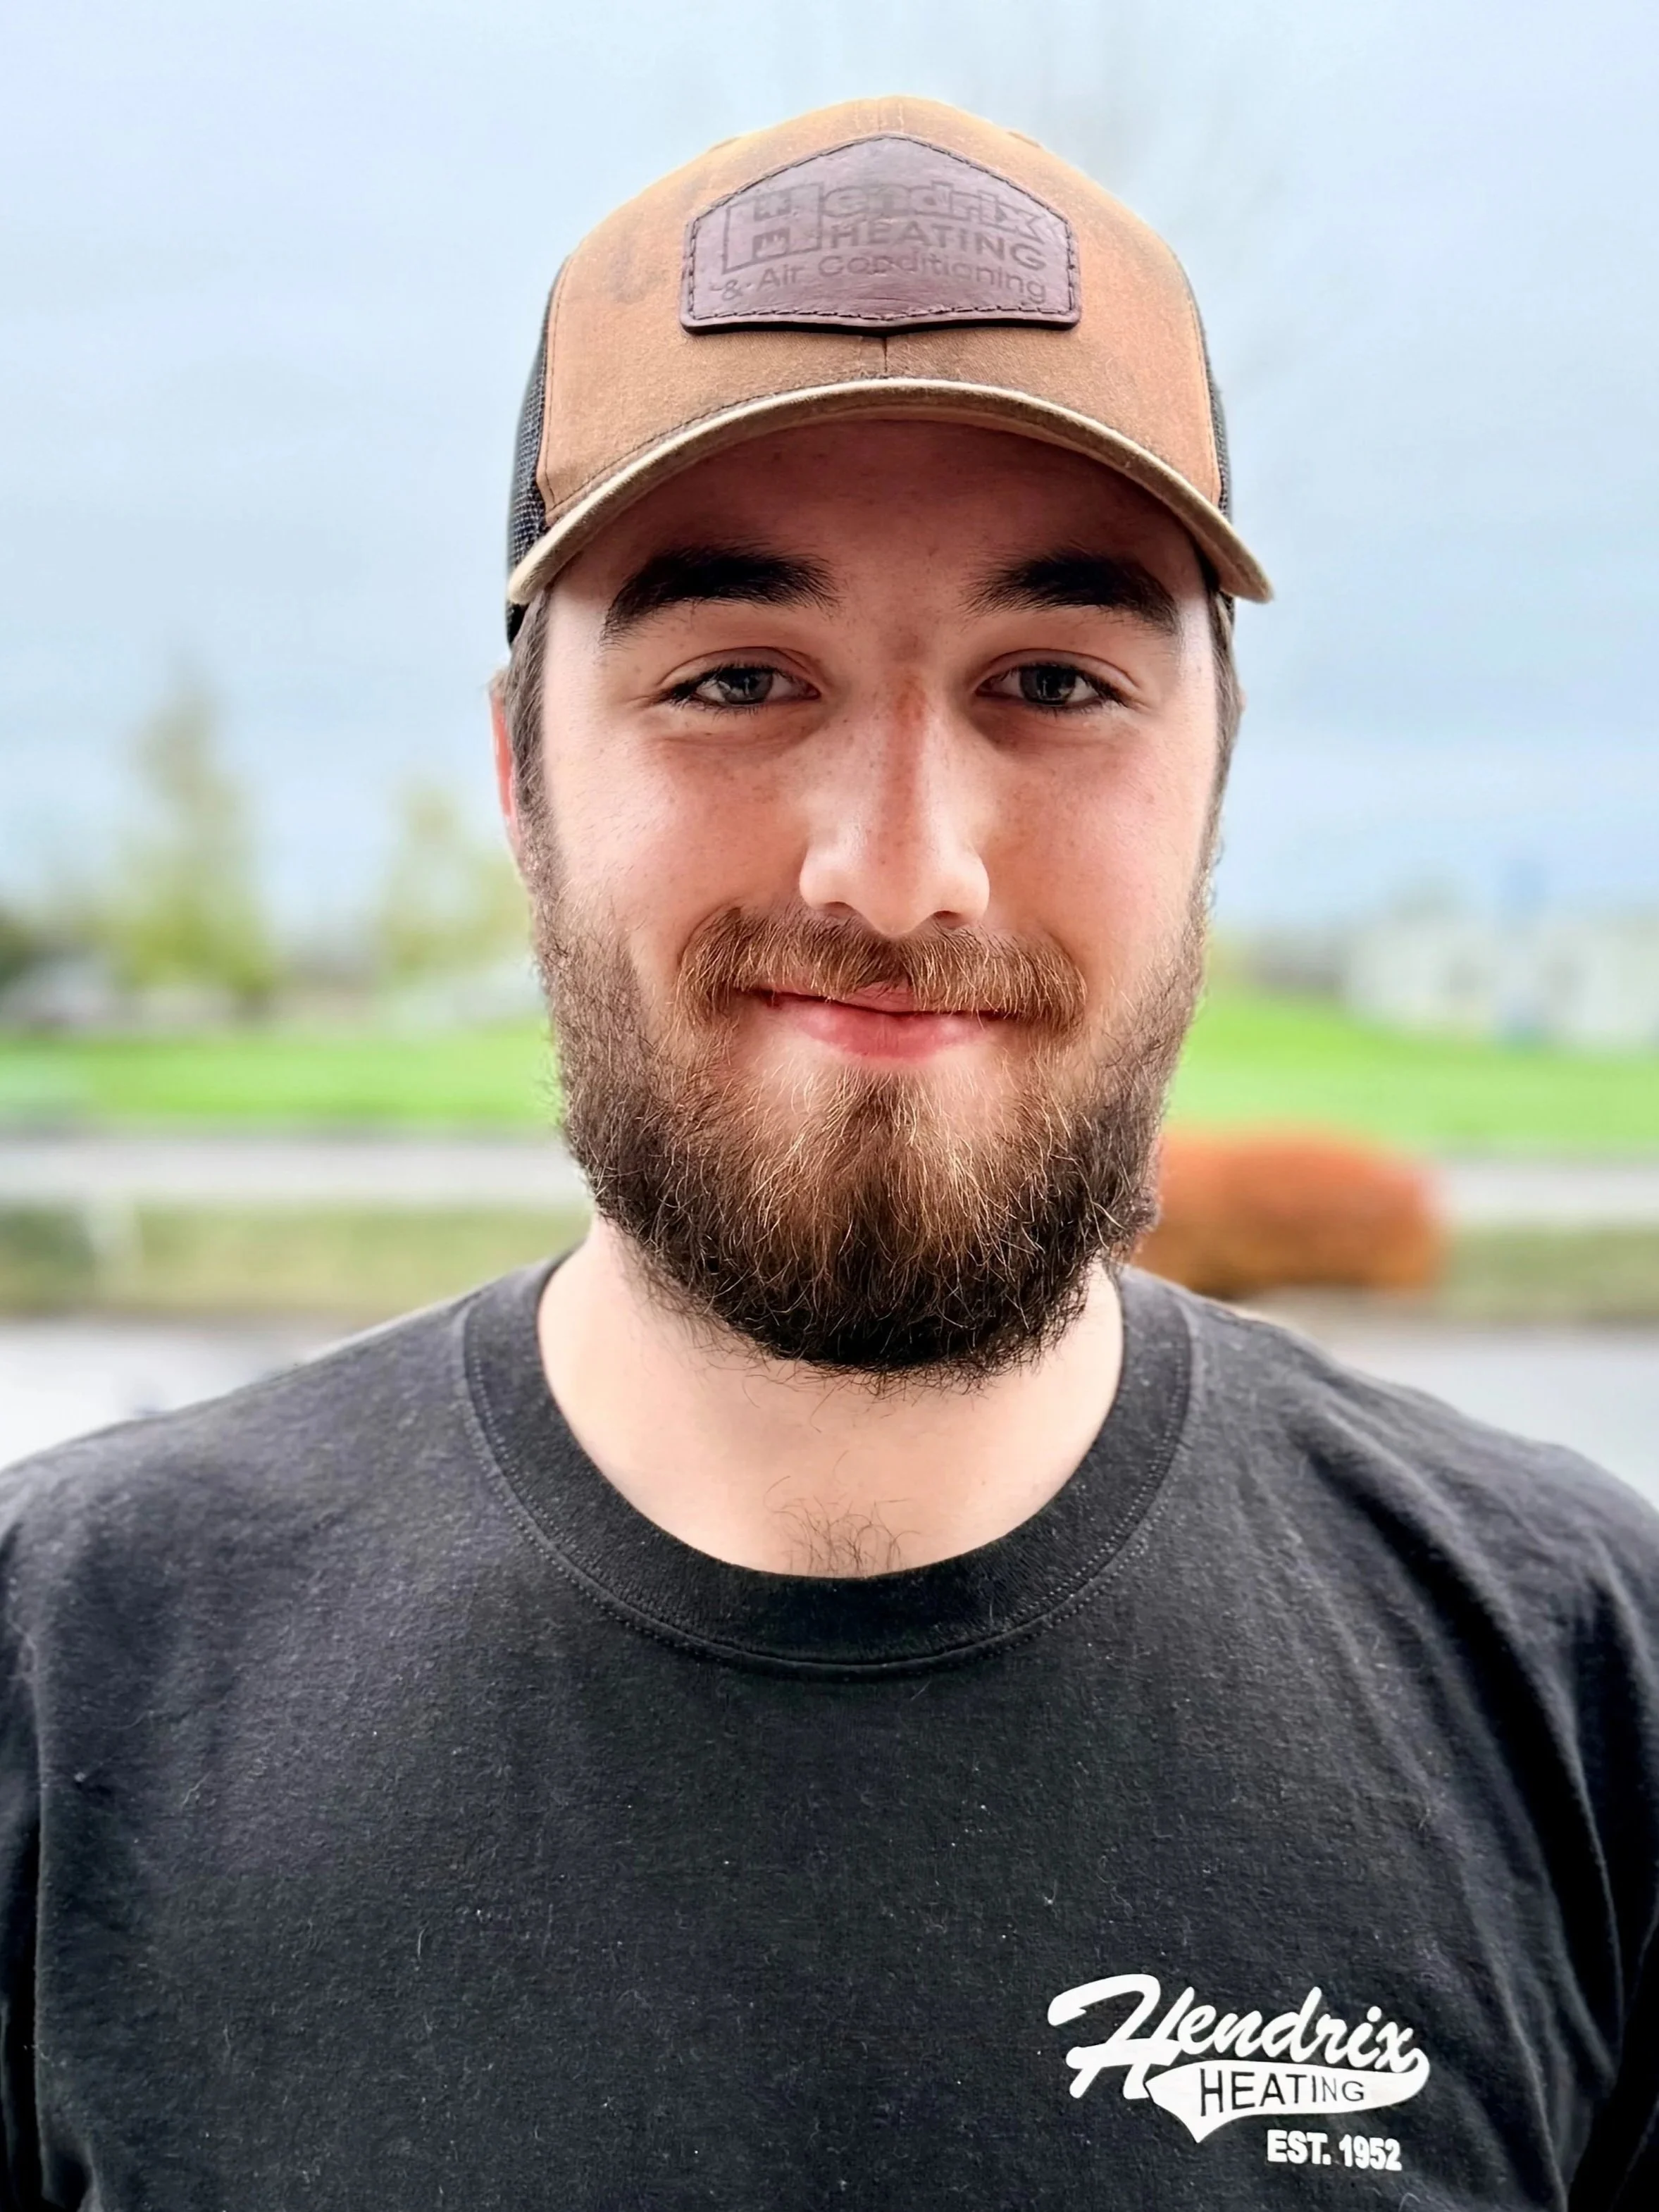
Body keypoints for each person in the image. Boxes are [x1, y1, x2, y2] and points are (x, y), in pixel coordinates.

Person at [2, 97, 1655, 2211]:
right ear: (524, 776)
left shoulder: (1583, 1684)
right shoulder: (70, 1683)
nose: (902, 872)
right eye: (737, 676)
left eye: (1052, 679)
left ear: (1218, 772)